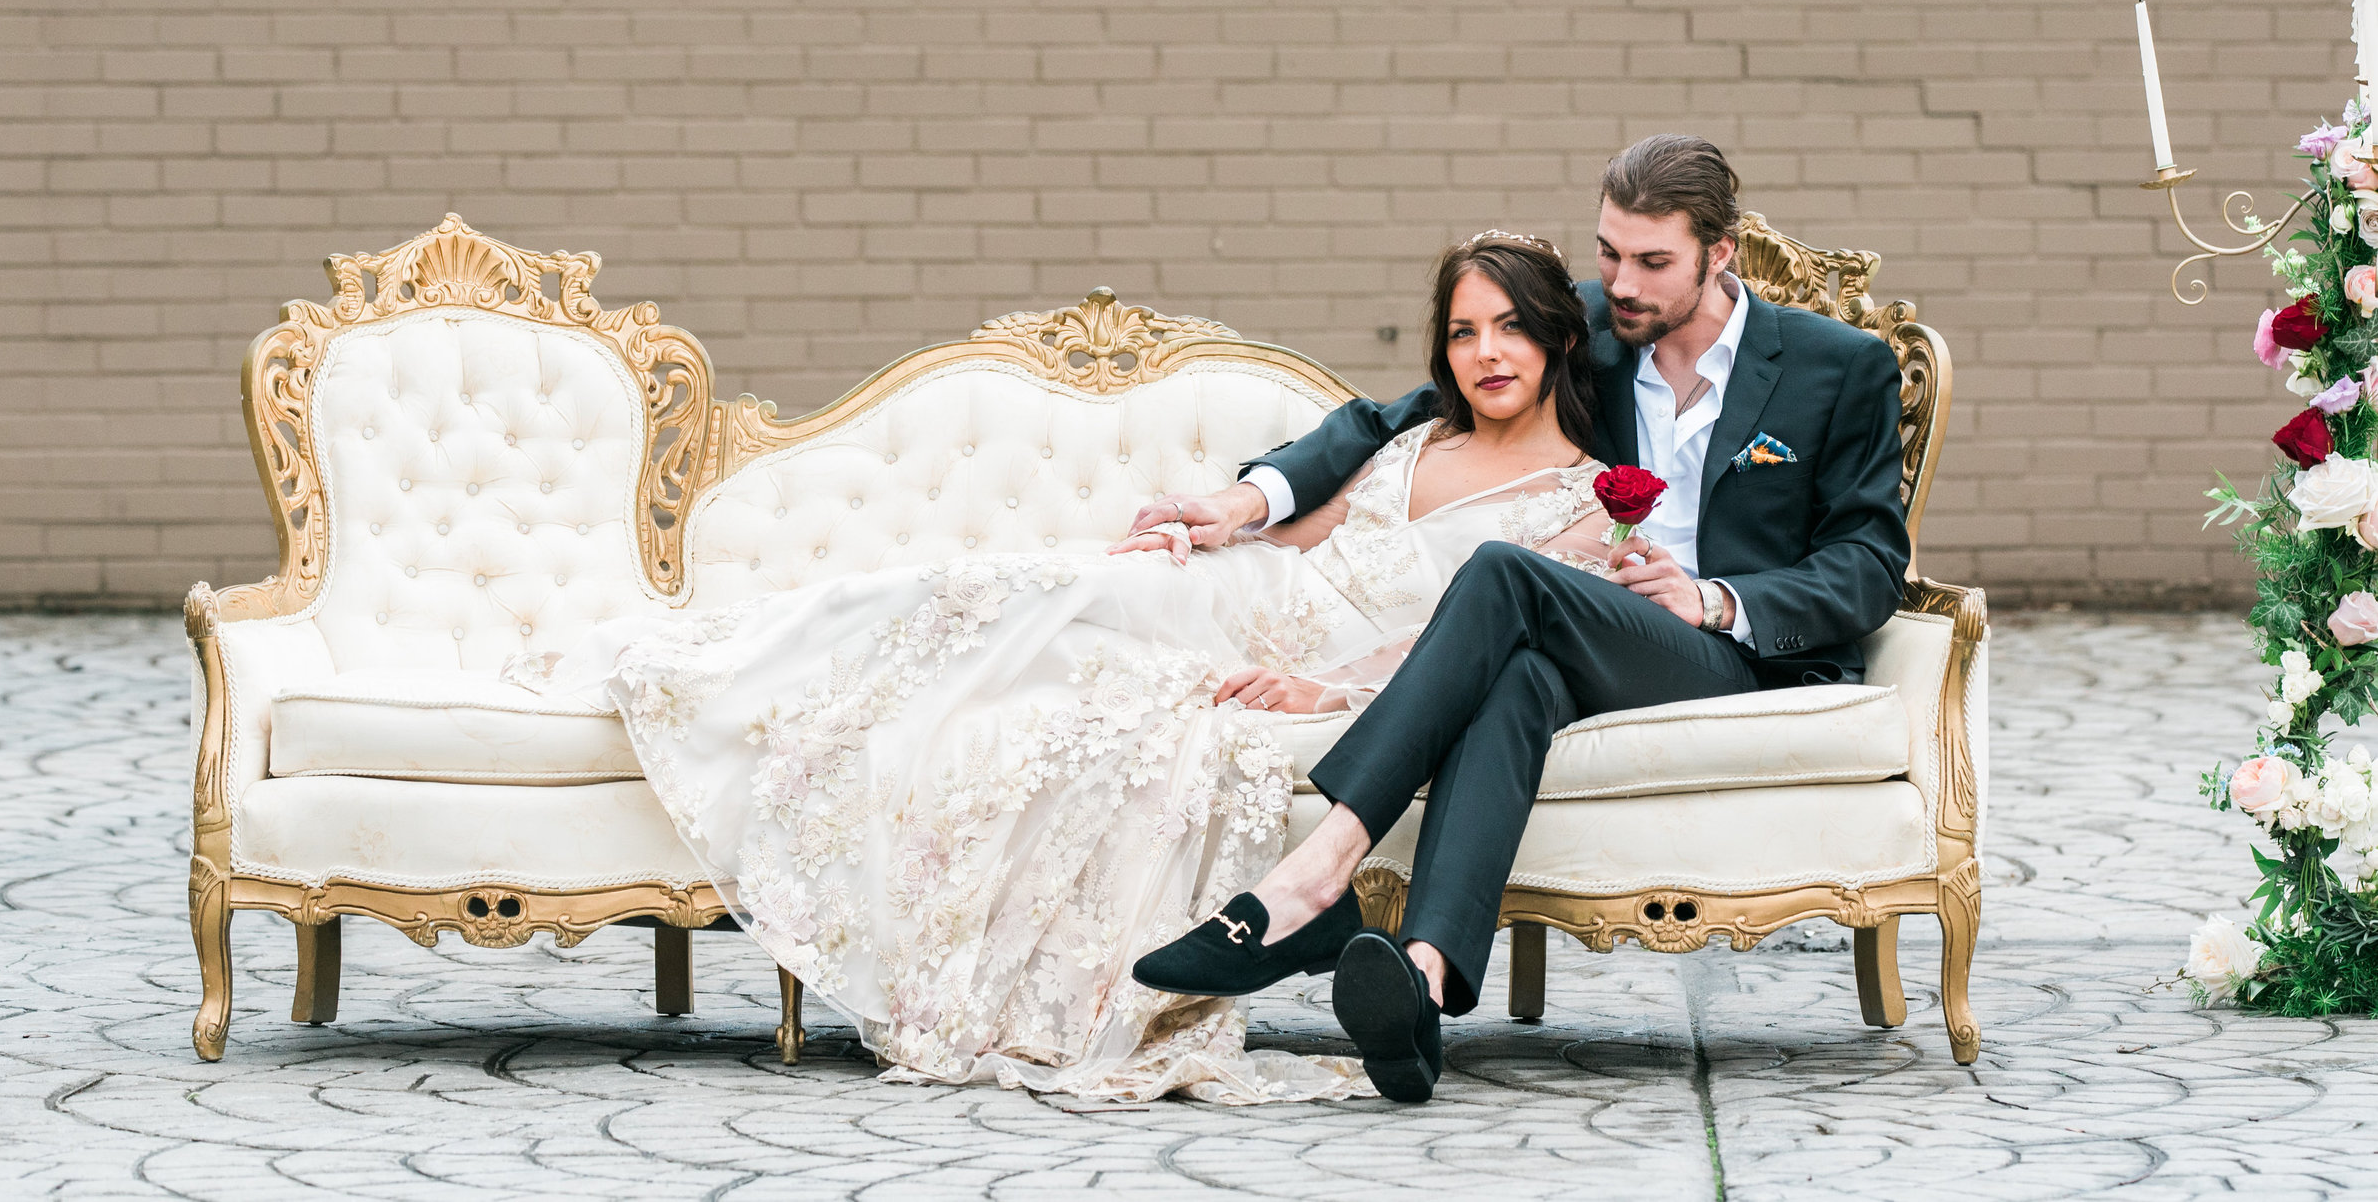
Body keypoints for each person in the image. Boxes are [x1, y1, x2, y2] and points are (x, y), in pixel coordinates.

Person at [505, 234, 1626, 1103]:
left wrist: (1338, 691)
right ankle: (706, 666)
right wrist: (1214, 525)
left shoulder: (1586, 503)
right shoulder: (1413, 436)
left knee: (1054, 687)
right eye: (1466, 329)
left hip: (1314, 656)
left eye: (1511, 329)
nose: (1486, 352)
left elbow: (1474, 637)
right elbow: (1310, 528)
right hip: (1243, 597)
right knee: (1007, 591)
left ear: (1558, 339)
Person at [1128, 134, 1912, 1103]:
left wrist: (1715, 598)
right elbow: (1388, 418)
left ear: (1721, 254)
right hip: (1594, 628)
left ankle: (1316, 874)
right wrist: (1249, 501)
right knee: (1518, 679)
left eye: (1651, 262)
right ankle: (1419, 982)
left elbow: (1870, 563)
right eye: (1609, 253)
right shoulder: (1590, 325)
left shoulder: (1839, 367)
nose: (1620, 284)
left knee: (1505, 572)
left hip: (1732, 649)